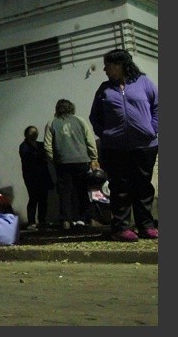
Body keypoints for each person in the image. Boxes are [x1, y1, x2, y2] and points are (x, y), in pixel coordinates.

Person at [89, 48, 158, 242]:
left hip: (145, 145)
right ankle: (120, 228)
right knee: (120, 187)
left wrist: (152, 129)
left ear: (120, 65)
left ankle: (146, 226)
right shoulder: (104, 89)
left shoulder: (143, 82)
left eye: (108, 65)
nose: (105, 69)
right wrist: (106, 134)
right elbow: (95, 116)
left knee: (143, 186)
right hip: (115, 148)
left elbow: (158, 106)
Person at [43, 99, 100, 231]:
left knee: (65, 192)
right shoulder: (80, 121)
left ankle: (66, 220)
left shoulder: (52, 122)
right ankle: (85, 218)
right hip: (81, 160)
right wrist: (94, 158)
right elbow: (90, 141)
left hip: (63, 163)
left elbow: (47, 146)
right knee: (81, 190)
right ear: (71, 108)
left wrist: (55, 159)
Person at [18, 125, 54, 230]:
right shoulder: (24, 146)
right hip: (31, 176)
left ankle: (42, 220)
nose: (35, 134)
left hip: (42, 175)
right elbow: (28, 158)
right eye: (32, 132)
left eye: (36, 132)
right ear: (27, 134)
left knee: (43, 199)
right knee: (33, 198)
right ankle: (31, 222)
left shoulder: (40, 145)